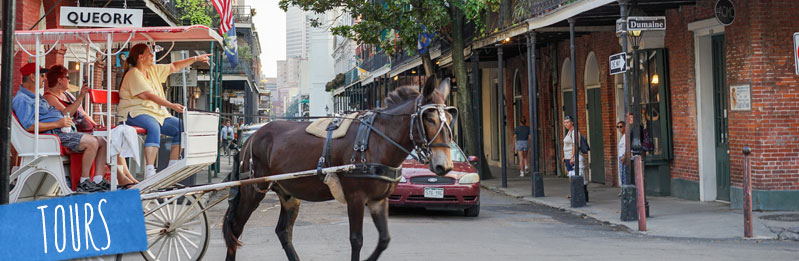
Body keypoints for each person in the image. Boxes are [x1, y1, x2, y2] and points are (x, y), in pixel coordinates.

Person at [118, 43, 212, 179]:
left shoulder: (153, 70)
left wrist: (196, 59)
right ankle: (149, 170)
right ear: (140, 57)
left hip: (156, 113)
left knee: (182, 126)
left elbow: (174, 66)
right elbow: (148, 96)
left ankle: (172, 167)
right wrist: (171, 105)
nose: (152, 55)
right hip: (134, 113)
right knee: (153, 126)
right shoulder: (133, 74)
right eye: (149, 53)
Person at [13, 63, 108, 192]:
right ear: (32, 77)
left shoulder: (36, 97)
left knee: (102, 140)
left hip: (60, 132)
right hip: (52, 136)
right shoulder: (22, 99)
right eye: (41, 76)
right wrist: (58, 124)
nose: (44, 79)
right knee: (91, 142)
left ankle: (97, 180)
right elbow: (29, 126)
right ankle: (84, 182)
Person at [43, 65, 138, 188]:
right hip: (68, 131)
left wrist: (95, 124)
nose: (69, 80)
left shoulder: (67, 95)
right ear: (59, 79)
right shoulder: (49, 97)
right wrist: (81, 97)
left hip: (81, 129)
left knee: (107, 138)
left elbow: (83, 113)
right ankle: (88, 180)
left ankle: (100, 178)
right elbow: (67, 113)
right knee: (100, 139)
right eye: (67, 77)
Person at [562, 115, 588, 200]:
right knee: (570, 176)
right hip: (568, 157)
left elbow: (574, 145)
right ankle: (573, 192)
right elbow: (567, 145)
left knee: (576, 175)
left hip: (572, 157)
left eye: (567, 122)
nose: (566, 124)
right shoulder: (569, 132)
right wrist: (565, 157)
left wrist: (572, 157)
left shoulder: (574, 132)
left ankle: (578, 193)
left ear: (572, 122)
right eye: (565, 122)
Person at [616, 120, 627, 196]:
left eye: (621, 127)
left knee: (624, 174)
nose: (619, 128)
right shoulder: (622, 136)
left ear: (625, 127)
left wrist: (624, 157)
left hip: (623, 157)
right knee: (622, 174)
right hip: (621, 157)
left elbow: (627, 147)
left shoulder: (626, 136)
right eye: (618, 127)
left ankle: (625, 190)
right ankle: (623, 189)